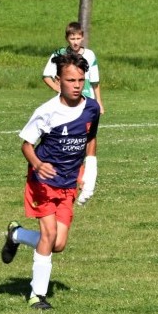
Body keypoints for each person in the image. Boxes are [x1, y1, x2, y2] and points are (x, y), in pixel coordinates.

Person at [1, 52, 101, 310]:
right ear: (58, 81)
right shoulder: (47, 111)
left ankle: (16, 234)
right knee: (48, 234)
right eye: (70, 80)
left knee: (58, 243)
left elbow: (90, 138)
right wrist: (37, 164)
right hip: (42, 182)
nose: (76, 85)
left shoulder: (91, 108)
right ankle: (38, 295)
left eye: (80, 80)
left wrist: (90, 170)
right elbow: (26, 145)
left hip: (68, 183)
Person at [42, 21, 102, 204]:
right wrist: (60, 91)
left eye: (78, 38)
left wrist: (99, 102)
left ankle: (88, 178)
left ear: (83, 37)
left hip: (86, 104)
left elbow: (95, 82)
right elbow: (46, 76)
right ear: (67, 38)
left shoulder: (90, 55)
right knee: (68, 141)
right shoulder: (60, 55)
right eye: (72, 38)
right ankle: (77, 178)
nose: (75, 41)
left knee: (88, 136)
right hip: (67, 105)